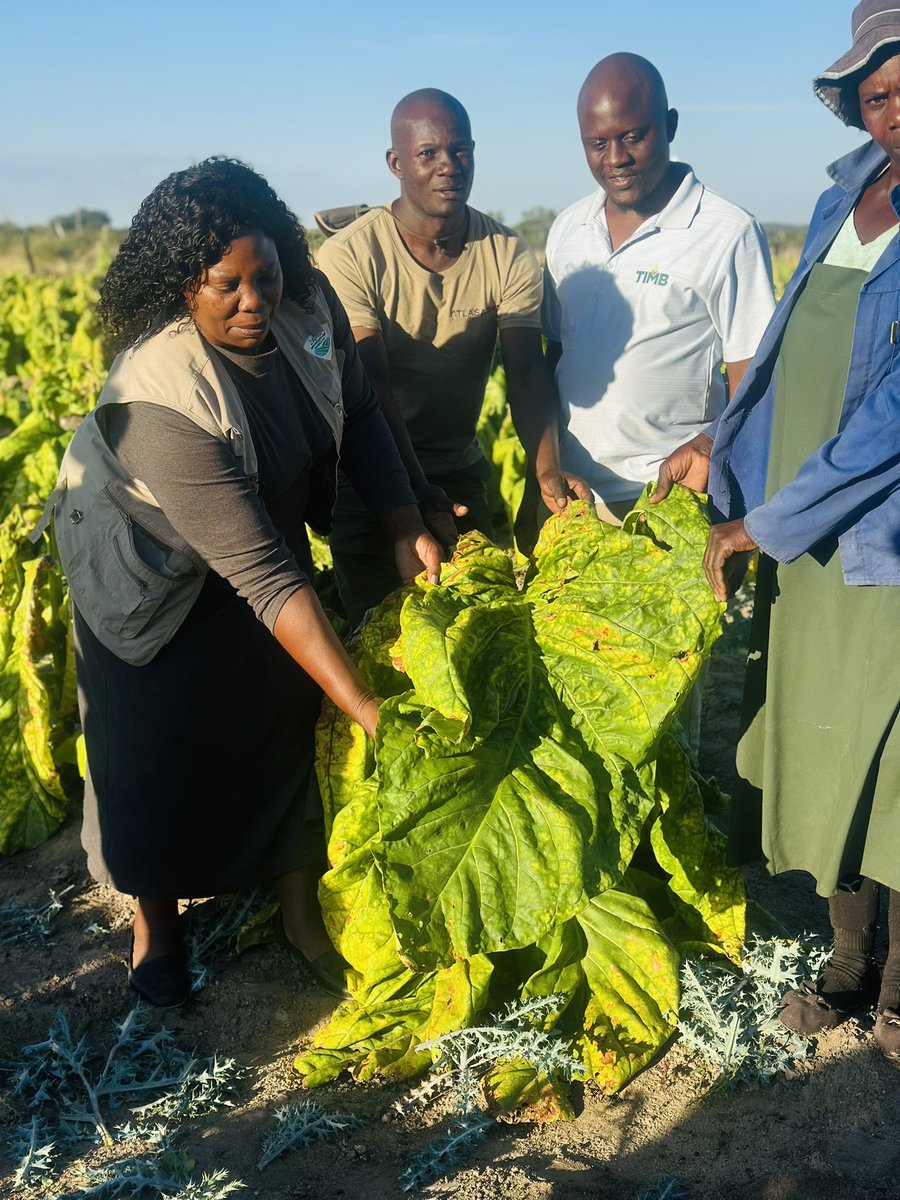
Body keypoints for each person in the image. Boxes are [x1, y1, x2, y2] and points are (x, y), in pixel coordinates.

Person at [43, 158, 442, 1007]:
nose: (254, 301)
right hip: (147, 568)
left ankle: (300, 910)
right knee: (151, 748)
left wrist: (407, 521)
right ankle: (157, 925)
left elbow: (361, 409)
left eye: (265, 277)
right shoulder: (158, 395)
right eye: (227, 286)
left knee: (282, 719)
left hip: (261, 531)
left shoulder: (309, 303)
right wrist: (365, 706)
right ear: (183, 286)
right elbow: (263, 577)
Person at [653, 0, 900, 1057]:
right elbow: (784, 358)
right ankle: (848, 965)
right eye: (878, 92)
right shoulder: (844, 196)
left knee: (892, 757)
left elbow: (892, 420)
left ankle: (898, 994)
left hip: (874, 534)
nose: (895, 107)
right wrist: (723, 449)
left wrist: (770, 519)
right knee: (825, 739)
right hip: (800, 533)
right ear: (855, 105)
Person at [317, 88, 590, 626]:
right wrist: (414, 495)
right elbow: (371, 384)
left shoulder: (505, 252)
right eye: (428, 154)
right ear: (396, 163)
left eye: (461, 150)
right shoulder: (349, 255)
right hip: (368, 476)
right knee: (379, 639)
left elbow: (526, 374)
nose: (449, 167)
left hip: (458, 473)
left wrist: (546, 471)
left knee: (479, 632)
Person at [542, 53, 775, 525]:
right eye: (597, 143)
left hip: (671, 505)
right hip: (573, 502)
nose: (616, 159)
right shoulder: (568, 229)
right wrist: (547, 468)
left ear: (669, 125)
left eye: (632, 136)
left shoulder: (727, 232)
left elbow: (757, 381)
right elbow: (554, 358)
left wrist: (711, 444)